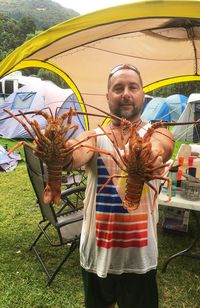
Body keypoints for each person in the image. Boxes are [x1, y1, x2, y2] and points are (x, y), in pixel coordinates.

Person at [65, 64, 174, 308]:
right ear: (108, 96)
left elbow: (162, 144)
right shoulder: (94, 137)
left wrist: (153, 154)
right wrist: (63, 155)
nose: (126, 93)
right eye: (118, 88)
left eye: (132, 87)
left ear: (142, 94)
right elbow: (76, 153)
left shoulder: (156, 133)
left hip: (140, 258)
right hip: (97, 255)